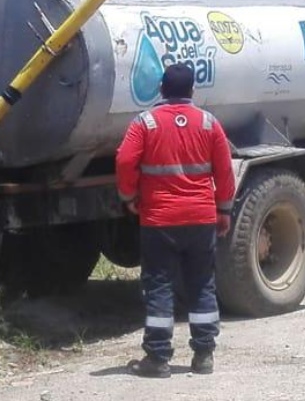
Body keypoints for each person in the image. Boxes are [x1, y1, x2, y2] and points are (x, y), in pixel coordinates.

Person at [115, 64, 236, 379]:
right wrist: (224, 210)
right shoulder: (210, 124)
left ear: (161, 89)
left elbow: (125, 160)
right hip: (200, 218)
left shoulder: (145, 122)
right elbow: (224, 171)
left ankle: (158, 358)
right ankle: (204, 354)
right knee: (201, 285)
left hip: (159, 220)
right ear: (192, 91)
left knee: (160, 285)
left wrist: (129, 197)